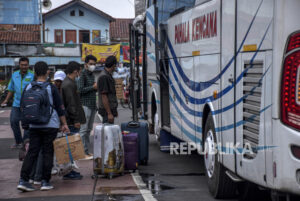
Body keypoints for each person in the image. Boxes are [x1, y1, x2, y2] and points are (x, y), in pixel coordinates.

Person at [17, 61, 69, 192]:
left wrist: (25, 124)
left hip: (34, 125)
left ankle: (24, 180)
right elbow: (59, 107)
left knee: (32, 152)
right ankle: (45, 182)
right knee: (47, 152)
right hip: (50, 124)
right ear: (47, 72)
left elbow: (22, 107)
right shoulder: (50, 88)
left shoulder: (28, 87)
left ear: (34, 72)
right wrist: (64, 124)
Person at [1, 57, 34, 148]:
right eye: (22, 65)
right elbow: (11, 89)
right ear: (19, 65)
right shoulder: (14, 75)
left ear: (28, 65)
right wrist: (6, 100)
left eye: (26, 65)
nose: (24, 67)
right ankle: (18, 141)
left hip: (28, 104)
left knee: (27, 124)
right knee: (13, 121)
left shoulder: (32, 75)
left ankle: (26, 142)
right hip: (16, 104)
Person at [61, 61, 86, 180]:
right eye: (79, 70)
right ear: (76, 71)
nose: (79, 73)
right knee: (70, 147)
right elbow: (71, 104)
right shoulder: (69, 84)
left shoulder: (68, 83)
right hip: (71, 120)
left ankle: (69, 170)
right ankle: (68, 171)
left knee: (70, 146)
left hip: (70, 119)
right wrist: (76, 119)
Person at [78, 55, 97, 159]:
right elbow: (80, 90)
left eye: (94, 64)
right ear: (86, 64)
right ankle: (82, 153)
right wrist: (92, 87)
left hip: (92, 105)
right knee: (83, 130)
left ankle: (86, 151)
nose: (92, 66)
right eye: (91, 64)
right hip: (85, 105)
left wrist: (94, 88)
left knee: (89, 130)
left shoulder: (92, 75)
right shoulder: (83, 75)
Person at [98, 56, 118, 124]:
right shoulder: (104, 76)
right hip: (106, 111)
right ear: (113, 65)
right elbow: (104, 96)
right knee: (108, 131)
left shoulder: (108, 75)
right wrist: (109, 113)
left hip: (109, 110)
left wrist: (114, 110)